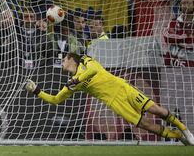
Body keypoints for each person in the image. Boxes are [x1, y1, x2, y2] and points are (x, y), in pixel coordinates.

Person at [25, 53, 194, 145]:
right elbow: (55, 100)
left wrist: (77, 79)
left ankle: (184, 129)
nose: (62, 63)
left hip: (122, 88)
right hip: (114, 102)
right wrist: (36, 90)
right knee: (145, 125)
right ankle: (178, 136)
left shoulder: (85, 60)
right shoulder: (71, 84)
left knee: (155, 109)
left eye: (63, 60)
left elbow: (94, 71)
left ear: (71, 59)